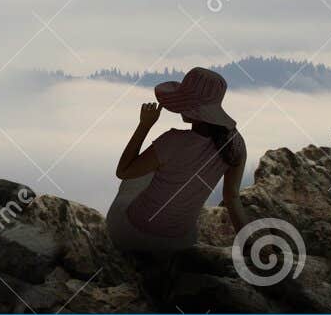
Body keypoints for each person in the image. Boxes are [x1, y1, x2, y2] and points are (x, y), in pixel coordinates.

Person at [106, 66, 251, 252]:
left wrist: (145, 125)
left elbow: (123, 171)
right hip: (179, 243)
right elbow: (232, 197)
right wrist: (249, 240)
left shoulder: (172, 141)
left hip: (131, 234)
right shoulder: (235, 145)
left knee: (138, 176)